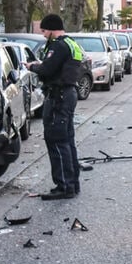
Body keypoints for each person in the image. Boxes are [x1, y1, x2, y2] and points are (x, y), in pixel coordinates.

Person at [25, 14, 85, 200]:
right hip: (68, 93)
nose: (43, 35)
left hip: (58, 96)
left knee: (56, 140)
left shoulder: (58, 45)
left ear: (51, 29)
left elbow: (47, 70)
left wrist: (32, 67)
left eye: (44, 31)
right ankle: (72, 183)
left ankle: (64, 186)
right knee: (67, 140)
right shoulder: (71, 43)